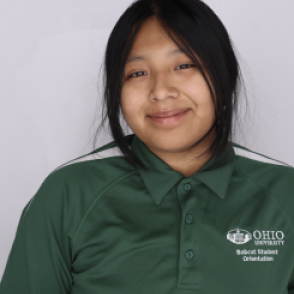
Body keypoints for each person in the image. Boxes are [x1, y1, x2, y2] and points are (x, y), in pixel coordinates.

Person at [0, 0, 294, 293]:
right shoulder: (67, 195)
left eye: (183, 65)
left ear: (223, 75)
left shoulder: (285, 192)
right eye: (137, 73)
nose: (161, 91)